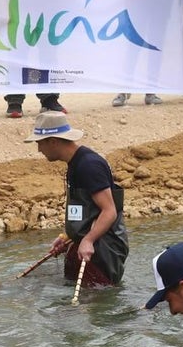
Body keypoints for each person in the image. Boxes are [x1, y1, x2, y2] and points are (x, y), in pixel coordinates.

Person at [25, 111, 128, 285]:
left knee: (95, 301)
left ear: (53, 141)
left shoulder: (89, 166)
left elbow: (109, 211)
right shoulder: (75, 163)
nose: (39, 149)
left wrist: (88, 240)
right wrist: (67, 236)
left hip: (102, 250)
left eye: (40, 143)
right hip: (89, 244)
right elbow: (87, 210)